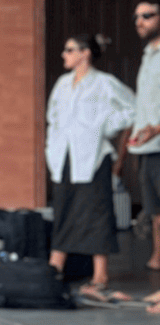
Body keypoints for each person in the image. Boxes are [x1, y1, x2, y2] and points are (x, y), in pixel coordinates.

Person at [45, 33, 135, 296]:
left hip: (93, 157)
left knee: (96, 212)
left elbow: (132, 107)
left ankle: (100, 275)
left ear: (85, 53)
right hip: (64, 156)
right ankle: (54, 268)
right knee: (63, 209)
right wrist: (51, 147)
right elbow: (53, 116)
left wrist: (105, 127)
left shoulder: (104, 83)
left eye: (69, 49)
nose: (64, 54)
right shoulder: (62, 83)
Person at [128, 0, 160, 271]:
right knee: (155, 210)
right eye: (137, 16)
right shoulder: (148, 56)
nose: (140, 21)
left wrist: (157, 128)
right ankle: (157, 260)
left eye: (147, 15)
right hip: (147, 148)